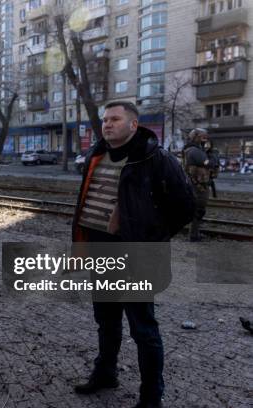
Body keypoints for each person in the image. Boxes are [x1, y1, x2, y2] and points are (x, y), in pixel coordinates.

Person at [72, 101, 194, 408]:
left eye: (115, 119)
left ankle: (152, 396)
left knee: (143, 328)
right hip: (100, 250)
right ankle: (106, 373)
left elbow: (186, 205)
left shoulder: (154, 157)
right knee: (106, 319)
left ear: (133, 124)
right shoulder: (97, 154)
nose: (108, 124)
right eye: (105, 120)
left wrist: (146, 232)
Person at [183, 128, 212, 241]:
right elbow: (207, 162)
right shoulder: (194, 151)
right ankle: (194, 235)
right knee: (198, 210)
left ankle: (195, 233)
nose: (205, 139)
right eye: (202, 137)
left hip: (199, 183)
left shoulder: (196, 149)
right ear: (195, 137)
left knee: (198, 209)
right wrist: (211, 160)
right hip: (198, 185)